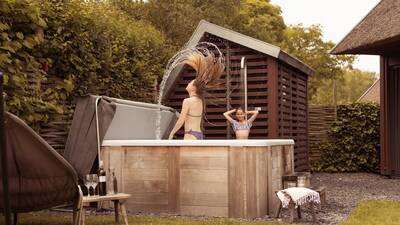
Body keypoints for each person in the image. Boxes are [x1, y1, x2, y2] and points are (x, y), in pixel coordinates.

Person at [168, 45, 225, 140]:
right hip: (198, 135)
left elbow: (181, 120)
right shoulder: (200, 101)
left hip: (190, 135)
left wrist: (171, 133)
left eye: (191, 82)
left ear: (194, 88)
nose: (188, 83)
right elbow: (191, 116)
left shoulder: (188, 101)